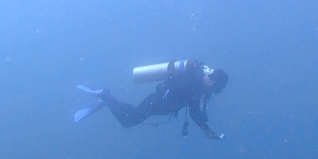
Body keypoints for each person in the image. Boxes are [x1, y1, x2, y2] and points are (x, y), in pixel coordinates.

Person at [76, 62, 228, 139]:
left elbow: (194, 111)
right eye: (217, 89)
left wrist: (206, 129)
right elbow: (190, 105)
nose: (214, 92)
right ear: (214, 83)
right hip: (155, 103)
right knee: (126, 122)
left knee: (133, 112)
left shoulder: (197, 84)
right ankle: (106, 96)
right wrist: (206, 129)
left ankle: (108, 99)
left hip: (157, 106)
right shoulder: (194, 83)